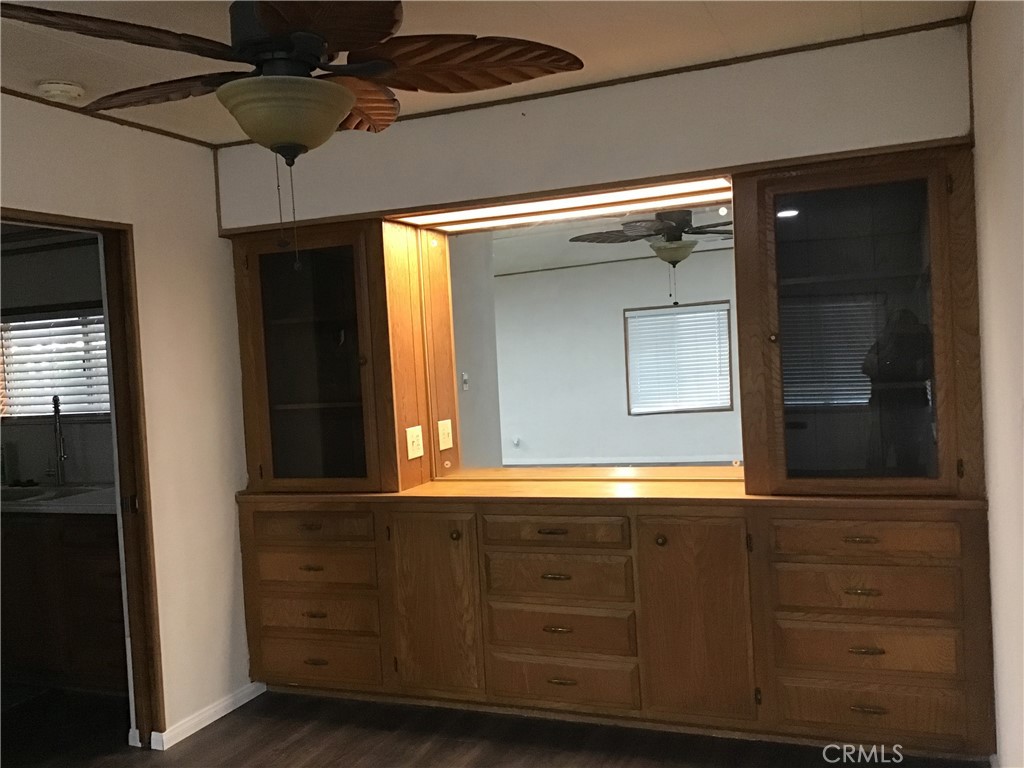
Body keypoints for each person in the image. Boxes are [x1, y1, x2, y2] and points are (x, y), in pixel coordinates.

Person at [861, 309, 935, 476]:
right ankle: (873, 488)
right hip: (884, 407)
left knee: (908, 454)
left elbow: (927, 370)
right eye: (897, 326)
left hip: (912, 407)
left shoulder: (922, 342)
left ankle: (908, 487)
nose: (902, 331)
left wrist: (893, 367)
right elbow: (867, 367)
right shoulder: (885, 342)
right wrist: (887, 344)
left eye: (906, 325)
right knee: (877, 454)